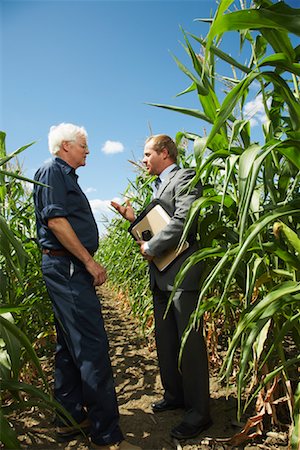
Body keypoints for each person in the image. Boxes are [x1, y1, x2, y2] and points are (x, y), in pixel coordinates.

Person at [33, 123, 141, 450]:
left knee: (68, 348)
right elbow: (55, 220)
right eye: (84, 145)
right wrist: (89, 261)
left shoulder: (64, 175)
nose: (88, 151)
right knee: (92, 348)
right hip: (67, 267)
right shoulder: (52, 170)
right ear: (66, 146)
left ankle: (69, 419)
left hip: (66, 266)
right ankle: (106, 436)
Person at [111, 134, 212, 441]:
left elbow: (184, 220)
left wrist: (152, 246)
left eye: (146, 154)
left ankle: (199, 413)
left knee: (189, 344)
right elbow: (157, 222)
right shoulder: (157, 187)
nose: (143, 160)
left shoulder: (185, 177)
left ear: (165, 153)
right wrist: (133, 218)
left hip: (183, 274)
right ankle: (175, 395)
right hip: (161, 275)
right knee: (166, 339)